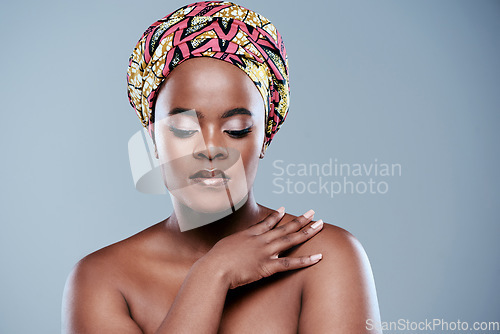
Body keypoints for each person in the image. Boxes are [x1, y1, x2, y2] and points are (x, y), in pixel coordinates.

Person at [62, 1, 382, 333]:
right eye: (185, 130)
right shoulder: (102, 279)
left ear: (265, 138)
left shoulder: (324, 257)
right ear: (153, 140)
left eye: (237, 130)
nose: (211, 149)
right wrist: (212, 274)